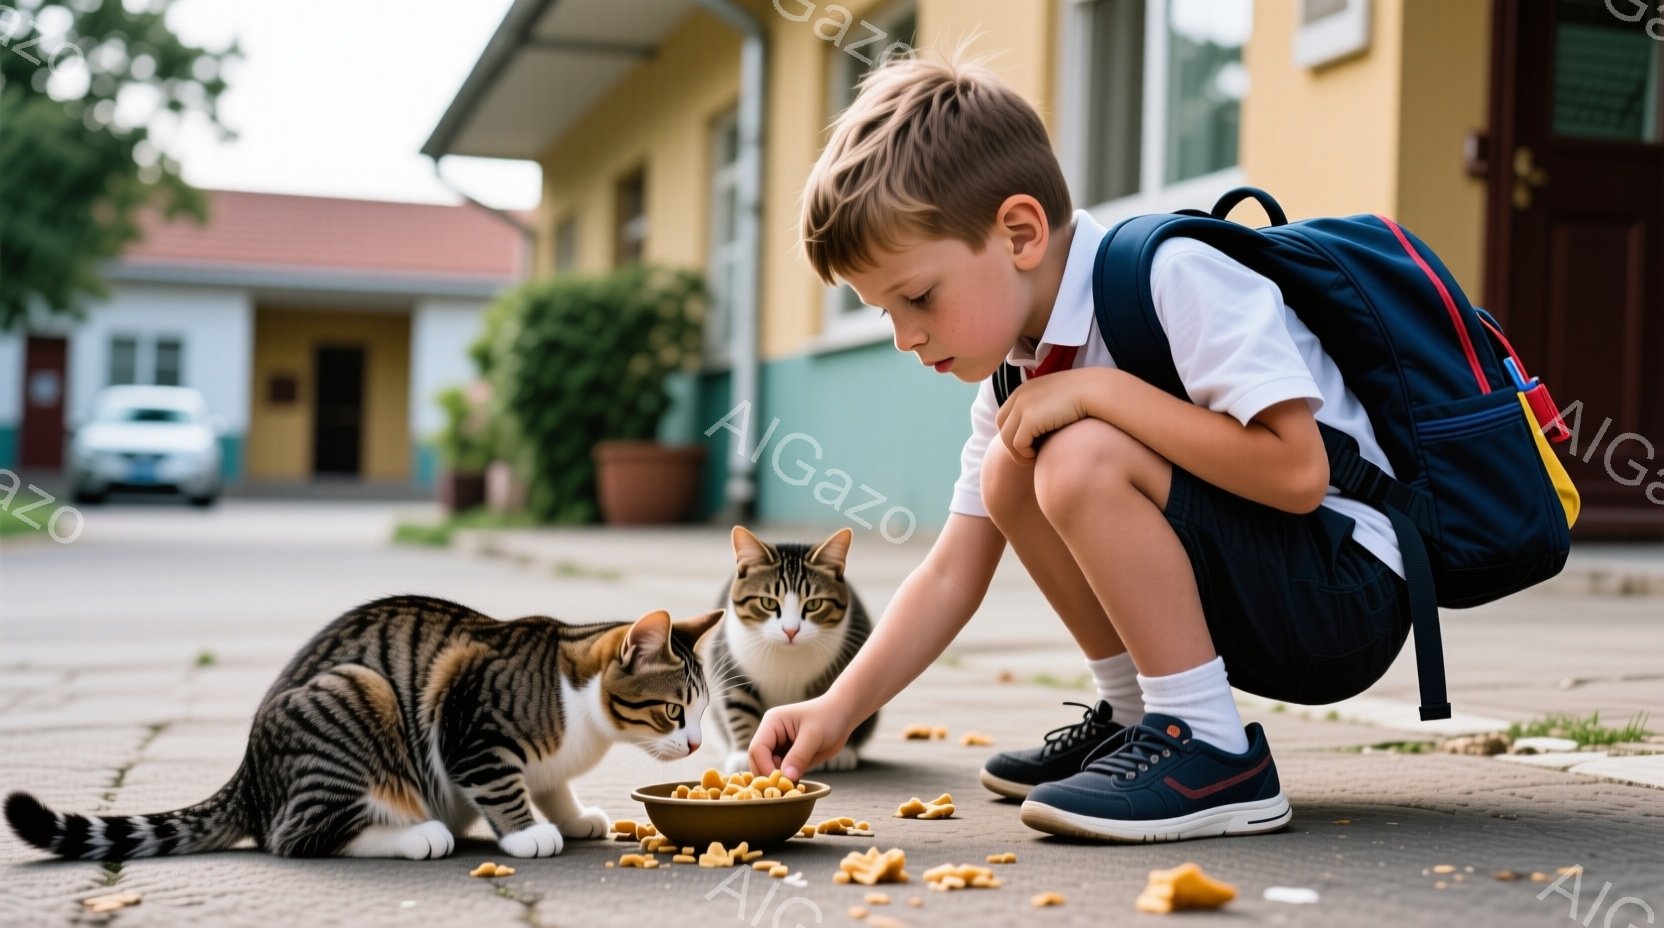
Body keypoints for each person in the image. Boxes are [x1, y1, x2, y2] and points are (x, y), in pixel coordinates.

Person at [747, 48, 1412, 844]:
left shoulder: (1173, 277)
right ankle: (1141, 724)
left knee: (1075, 452)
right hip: (1262, 591)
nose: (902, 336)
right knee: (1012, 468)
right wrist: (835, 706)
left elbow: (1299, 473)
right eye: (884, 312)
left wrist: (1103, 393)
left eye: (917, 297)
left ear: (1020, 232)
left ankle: (1213, 750)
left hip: (1343, 593)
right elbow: (954, 571)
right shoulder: (1019, 371)